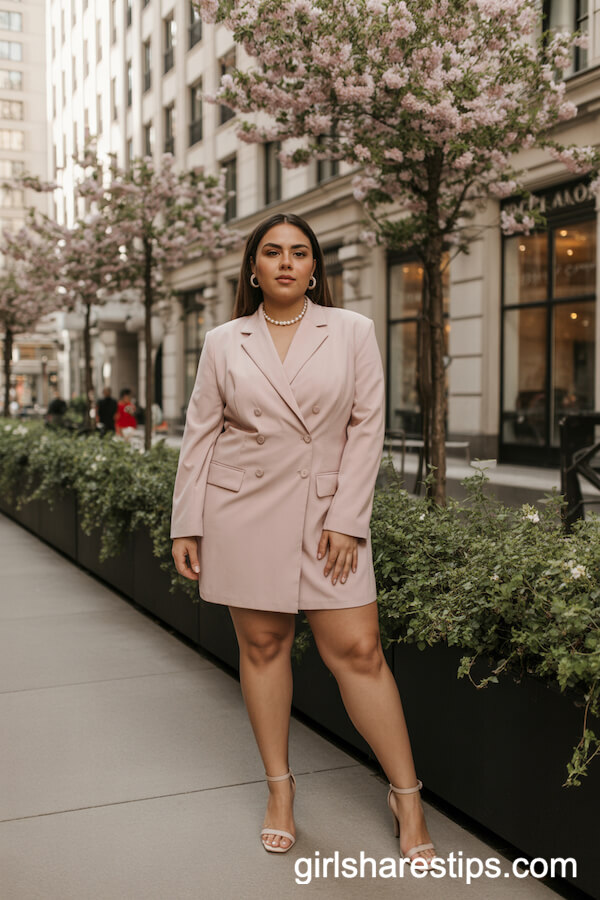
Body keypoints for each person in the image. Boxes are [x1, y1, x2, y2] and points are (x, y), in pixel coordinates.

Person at [170, 213, 436, 864]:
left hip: (328, 519)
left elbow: (367, 426)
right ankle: (280, 791)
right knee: (263, 647)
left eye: (298, 252)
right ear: (253, 270)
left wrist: (349, 517)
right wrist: (187, 521)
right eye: (271, 252)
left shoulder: (352, 332)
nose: (286, 262)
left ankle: (407, 796)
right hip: (244, 512)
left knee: (361, 652)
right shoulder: (224, 341)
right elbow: (200, 434)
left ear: (315, 267)